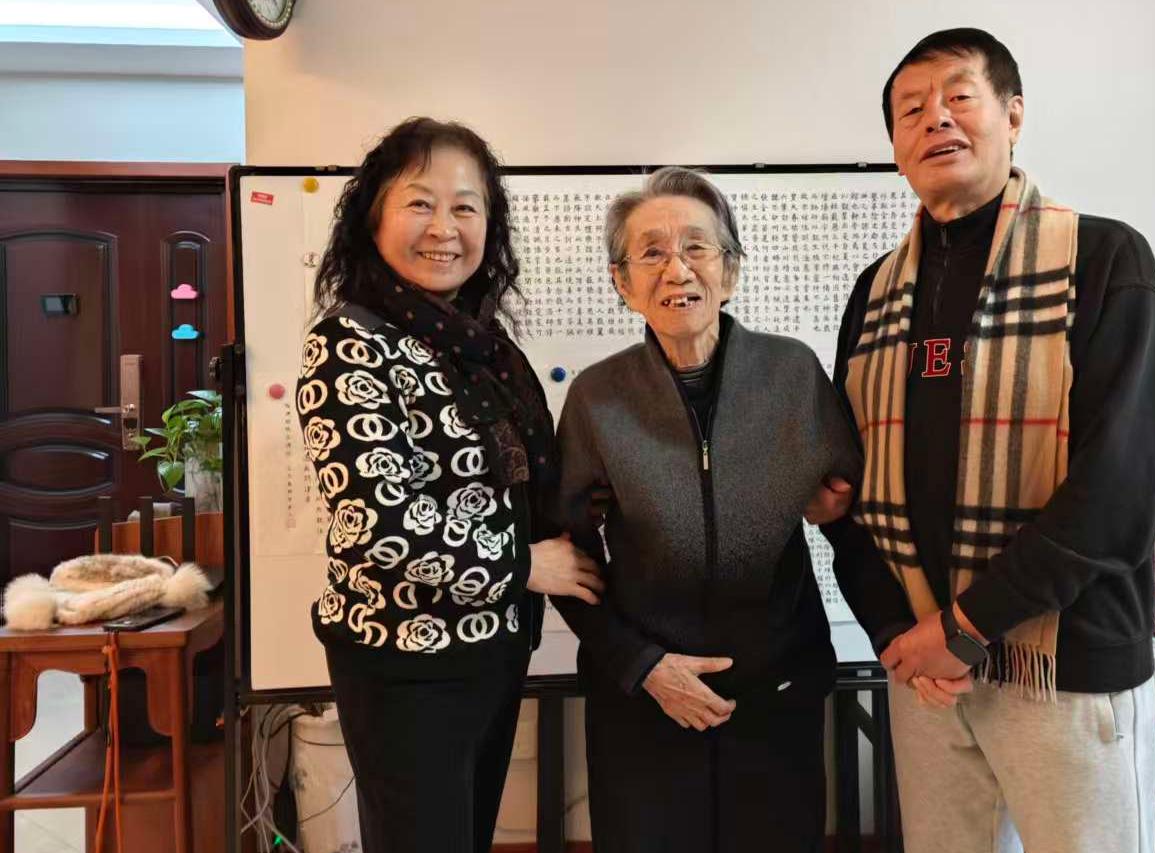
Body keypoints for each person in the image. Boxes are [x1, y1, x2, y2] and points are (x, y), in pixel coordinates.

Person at [812, 28, 1155, 853]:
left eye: (957, 97)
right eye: (911, 109)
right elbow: (845, 485)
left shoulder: (1101, 258)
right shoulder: (875, 292)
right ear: (895, 148)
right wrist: (896, 634)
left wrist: (968, 626)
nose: (934, 119)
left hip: (1064, 661)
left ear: (1012, 116)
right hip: (924, 670)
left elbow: (1119, 490)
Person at [295, 116, 603, 853]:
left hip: (491, 649)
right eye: (419, 203)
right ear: (372, 218)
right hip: (406, 664)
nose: (444, 228)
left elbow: (526, 483)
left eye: (466, 207)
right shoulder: (349, 342)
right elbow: (378, 525)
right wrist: (524, 564)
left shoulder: (484, 346)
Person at [554, 166, 862, 853]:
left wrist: (900, 631)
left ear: (731, 270)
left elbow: (850, 513)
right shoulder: (597, 398)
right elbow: (568, 560)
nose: (677, 269)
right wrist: (641, 665)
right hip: (644, 695)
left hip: (777, 689)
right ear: (622, 282)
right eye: (651, 253)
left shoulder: (792, 374)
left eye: (697, 246)